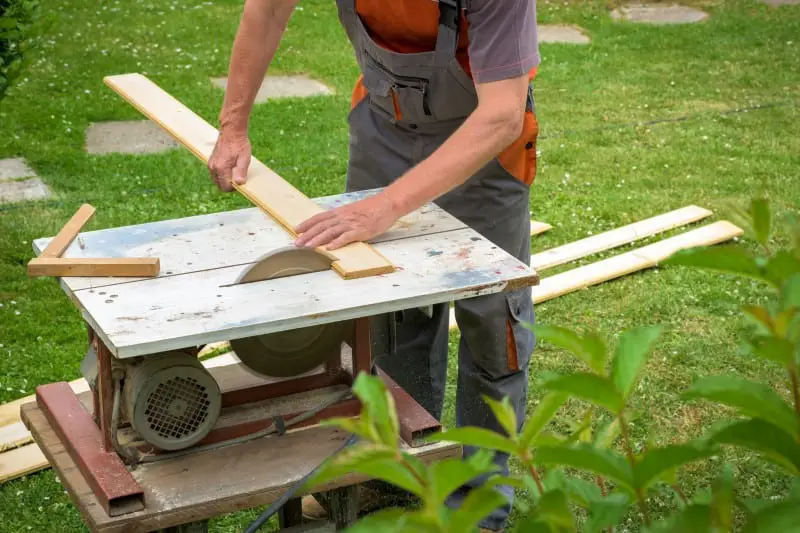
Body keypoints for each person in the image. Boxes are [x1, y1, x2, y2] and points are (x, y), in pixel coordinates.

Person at [208, 1, 539, 531]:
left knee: (491, 324)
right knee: (387, 310)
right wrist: (232, 127)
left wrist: (383, 207)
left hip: (484, 144)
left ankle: (477, 505)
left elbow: (501, 113)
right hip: (385, 127)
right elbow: (267, 9)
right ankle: (391, 475)